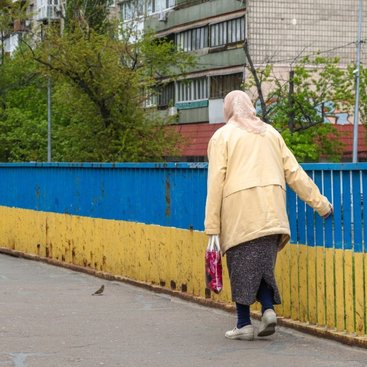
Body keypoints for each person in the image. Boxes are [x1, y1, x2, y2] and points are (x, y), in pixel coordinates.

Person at [204, 90, 333, 341]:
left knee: (241, 268)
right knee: (263, 267)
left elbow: (215, 183)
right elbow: (294, 172)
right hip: (273, 213)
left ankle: (244, 323)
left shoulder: (223, 136)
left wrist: (212, 228)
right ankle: (268, 311)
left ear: (229, 109)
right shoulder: (271, 133)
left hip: (241, 213)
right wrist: (322, 205)